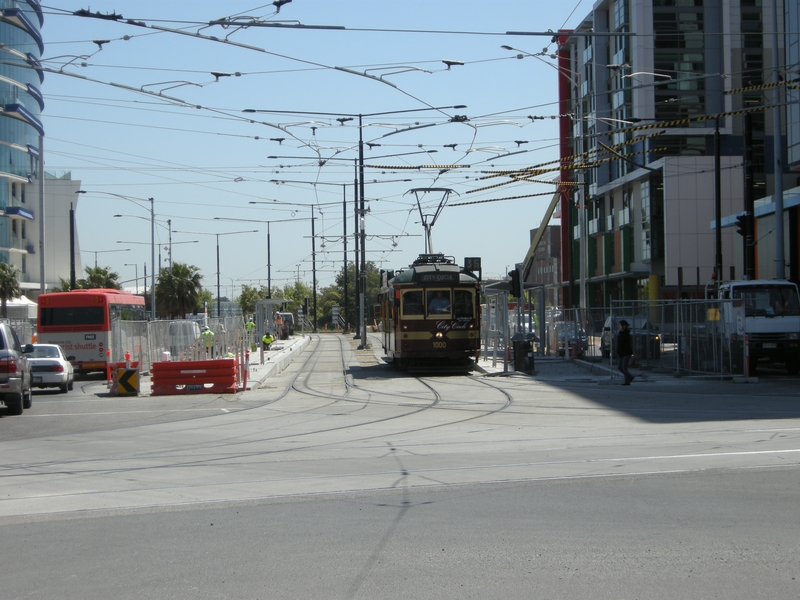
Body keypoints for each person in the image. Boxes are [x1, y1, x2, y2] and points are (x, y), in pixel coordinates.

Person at [617, 319, 634, 385]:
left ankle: (627, 381)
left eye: (620, 325)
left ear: (624, 326)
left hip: (626, 353)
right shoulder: (620, 333)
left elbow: (626, 345)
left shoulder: (626, 334)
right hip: (621, 353)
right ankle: (630, 376)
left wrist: (624, 352)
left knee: (624, 367)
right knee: (619, 367)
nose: (619, 326)